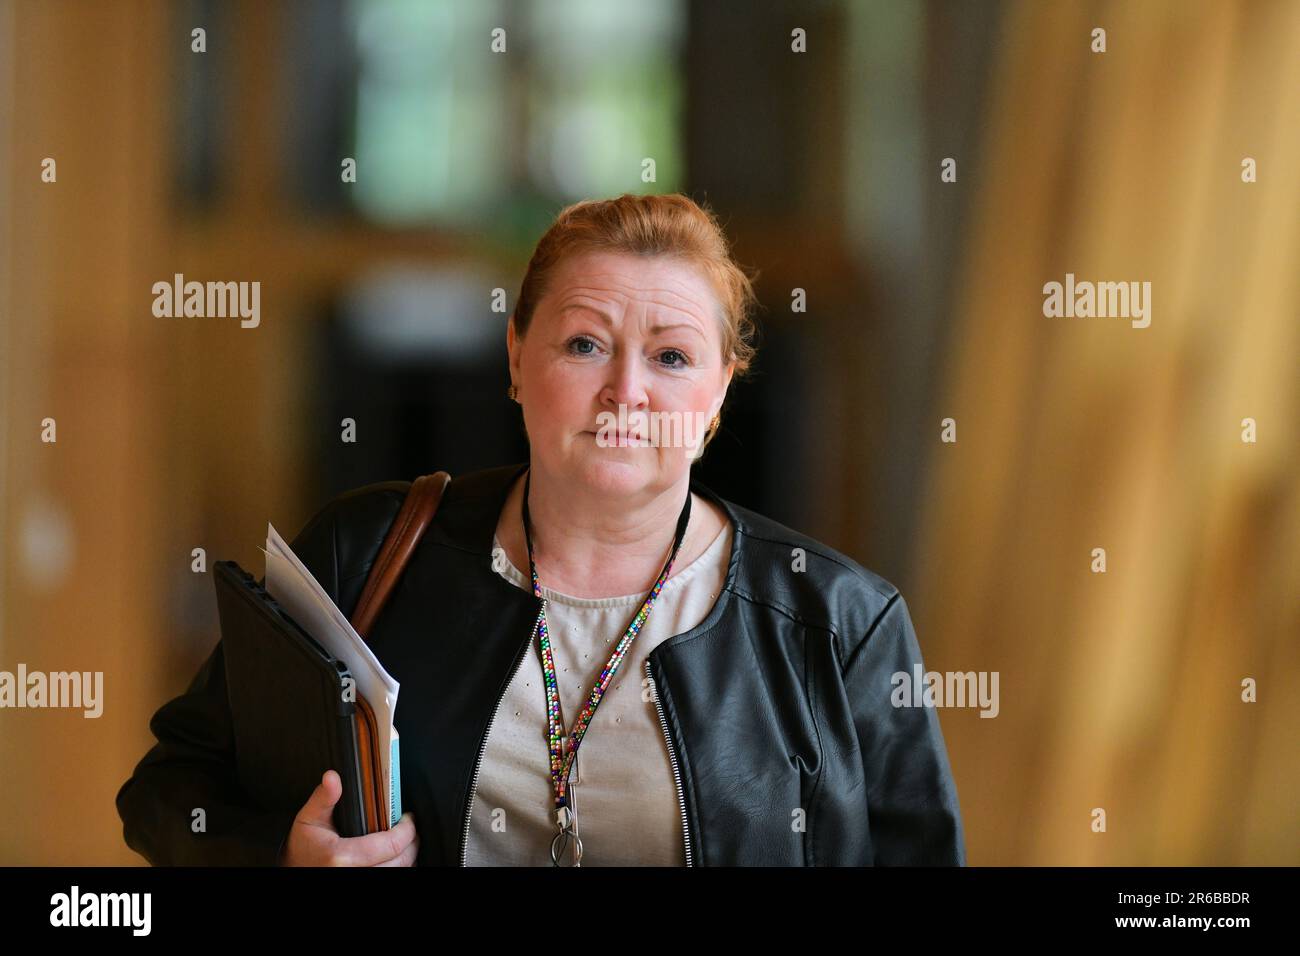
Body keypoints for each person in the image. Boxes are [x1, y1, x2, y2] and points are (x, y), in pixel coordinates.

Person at [116, 192, 965, 866]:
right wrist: (281, 856)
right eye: (585, 345)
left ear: (717, 396)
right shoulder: (367, 551)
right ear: (517, 358)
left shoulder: (842, 624)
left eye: (671, 357)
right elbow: (169, 787)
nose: (626, 392)